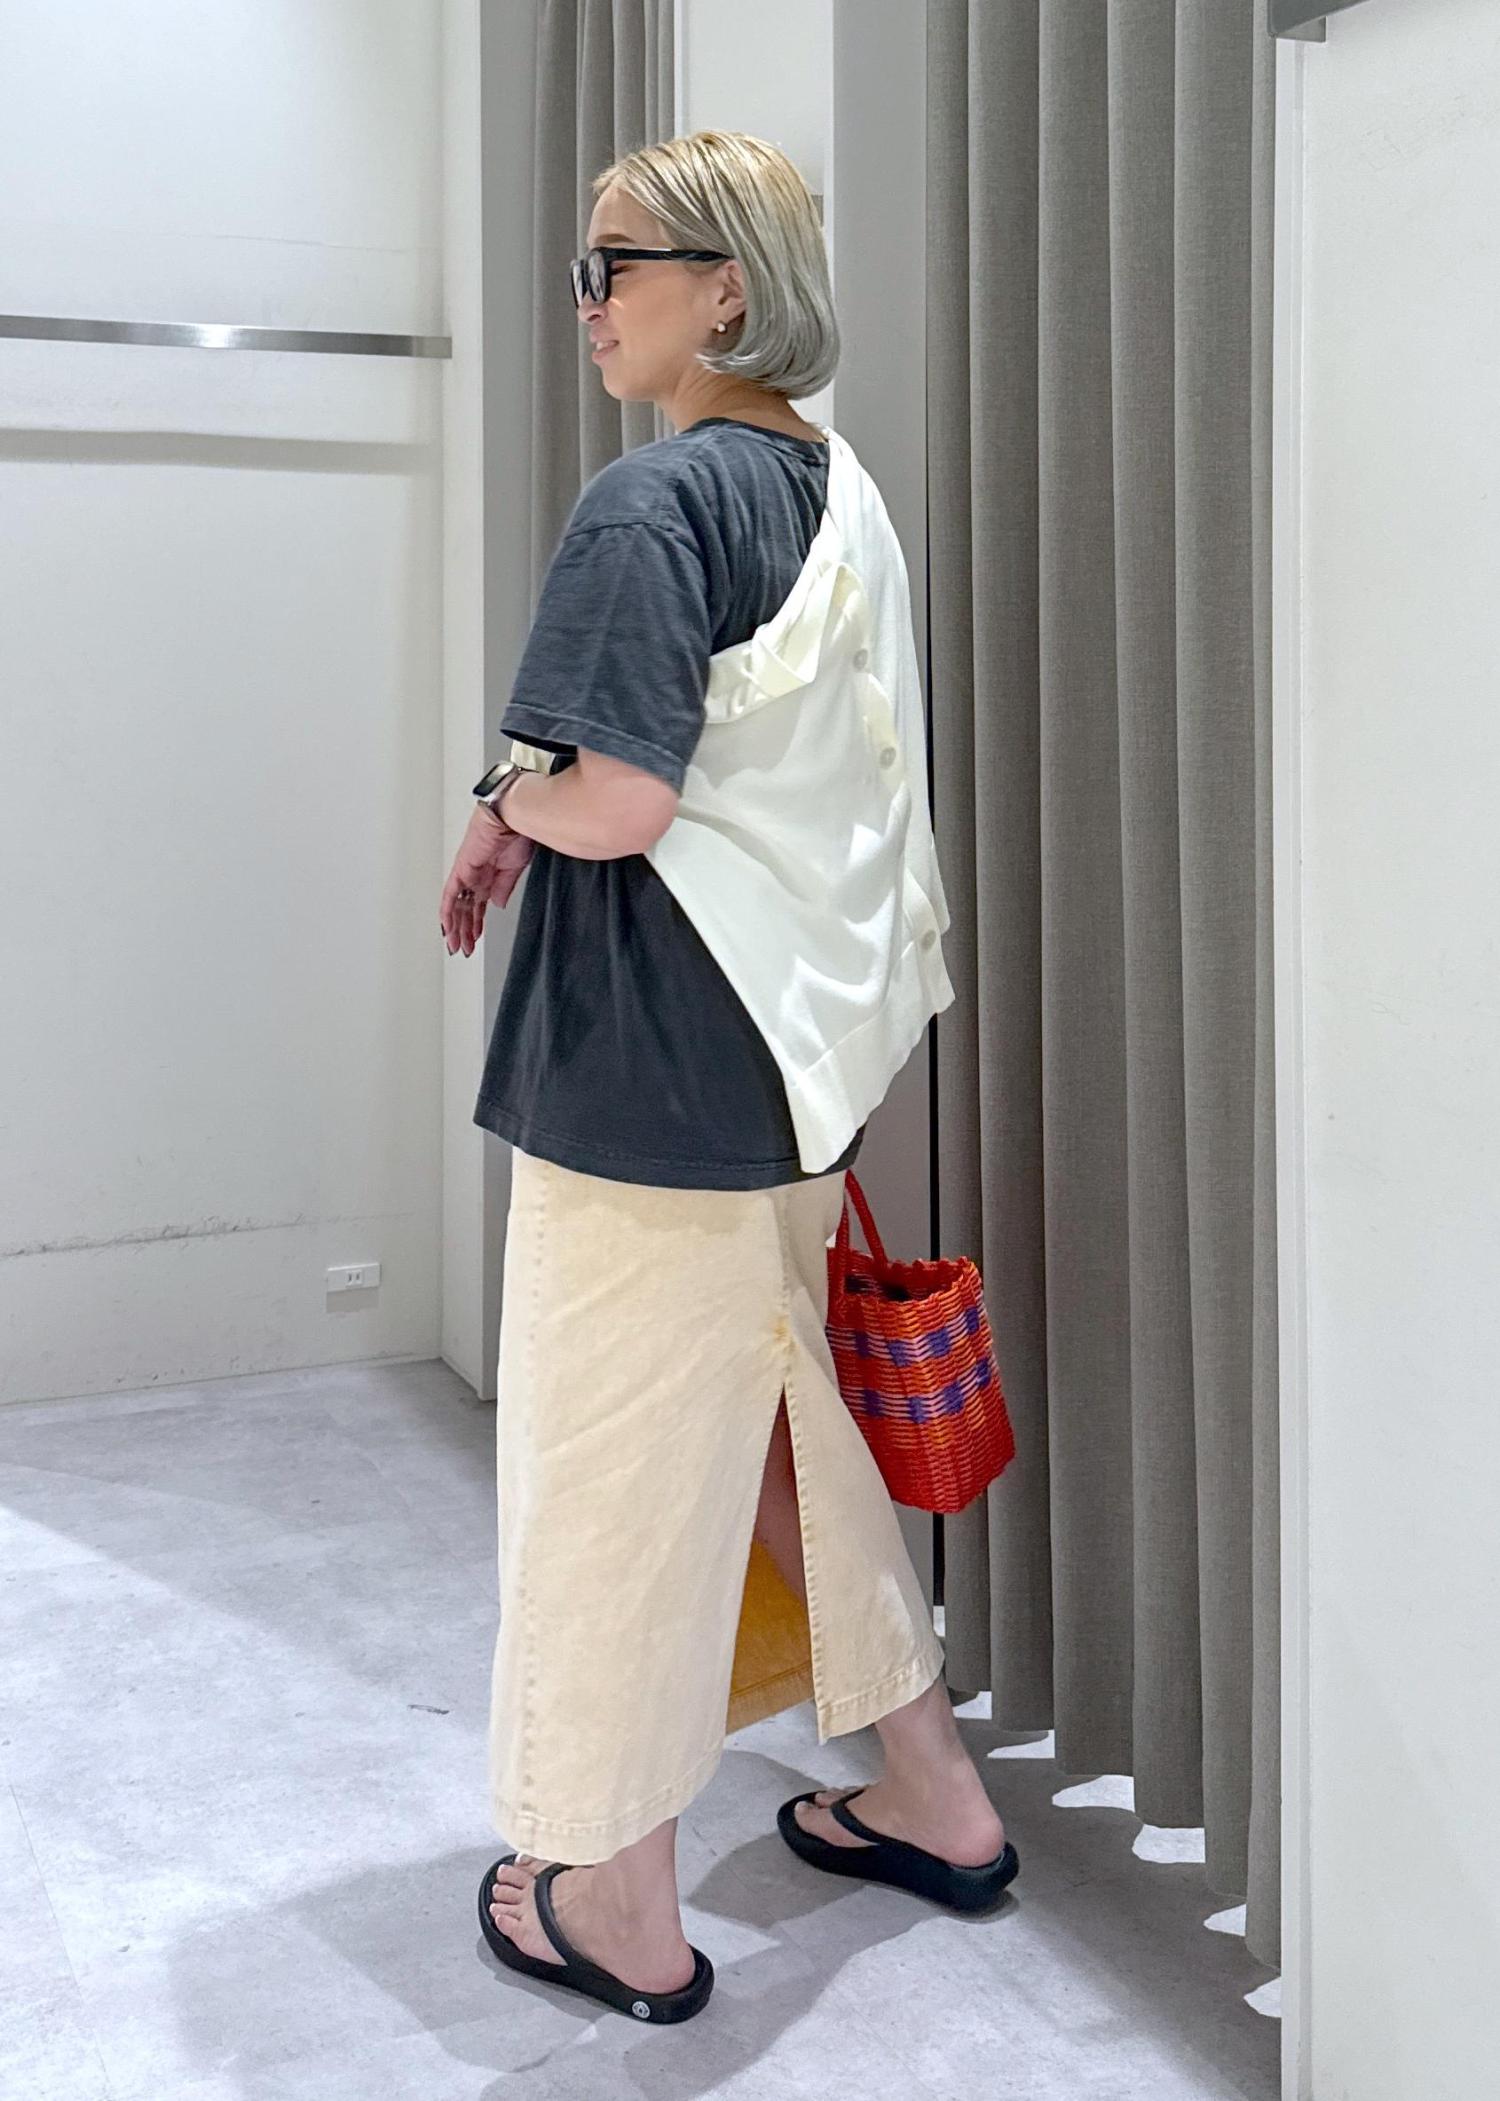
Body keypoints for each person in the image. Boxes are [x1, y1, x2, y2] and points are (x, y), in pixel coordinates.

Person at [438, 130, 1015, 2026]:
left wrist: (505, 795)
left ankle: (619, 1901)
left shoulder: (651, 503)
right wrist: (538, 795)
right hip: (786, 1075)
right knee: (783, 1434)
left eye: (612, 267)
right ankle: (933, 1792)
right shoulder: (840, 495)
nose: (586, 304)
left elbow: (618, 797)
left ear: (728, 290)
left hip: (642, 1084)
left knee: (608, 1485)